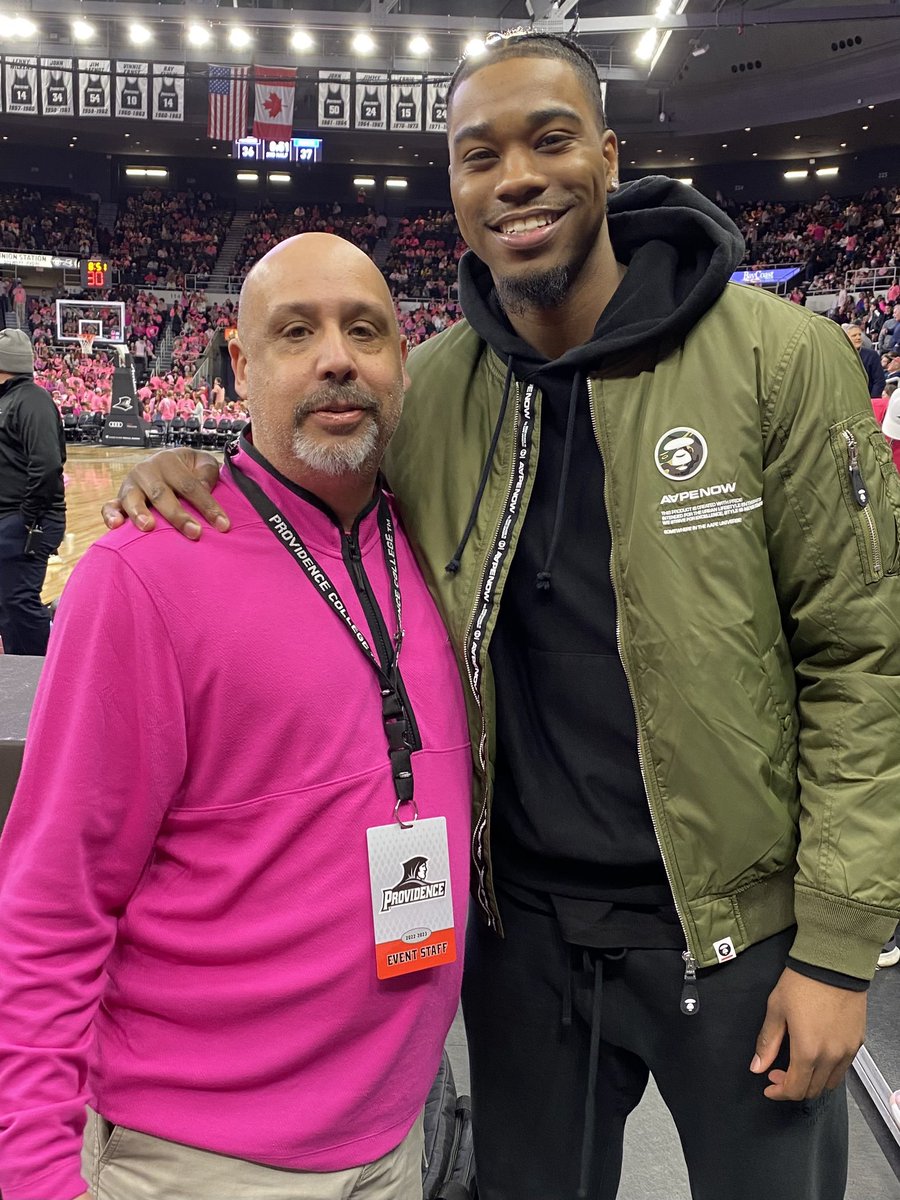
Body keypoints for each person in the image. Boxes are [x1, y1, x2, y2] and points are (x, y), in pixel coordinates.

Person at [102, 31, 900, 1200]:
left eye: (550, 138)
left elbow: (863, 658)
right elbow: (313, 489)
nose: (516, 175)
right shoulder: (431, 393)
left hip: (736, 939)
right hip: (518, 940)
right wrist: (195, 463)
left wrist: (837, 947)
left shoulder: (783, 361)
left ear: (611, 158)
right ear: (458, 191)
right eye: (481, 155)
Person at [0, 234, 472, 1200]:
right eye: (296, 331)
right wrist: (36, 1172)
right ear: (240, 365)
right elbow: (51, 903)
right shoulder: (143, 574)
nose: (336, 355)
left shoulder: (434, 542)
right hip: (197, 1162)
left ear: (402, 367)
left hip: (391, 1139)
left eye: (365, 330)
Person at [0, 327, 66, 655]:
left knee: (17, 601)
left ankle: (42, 670)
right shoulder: (11, 400)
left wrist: (26, 517)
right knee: (7, 603)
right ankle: (16, 667)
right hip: (14, 518)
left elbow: (49, 464)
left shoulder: (32, 400)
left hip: (27, 520)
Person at [842, 323, 886, 398]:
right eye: (854, 335)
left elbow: (879, 381)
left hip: (867, 399)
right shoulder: (841, 355)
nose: (858, 337)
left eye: (859, 334)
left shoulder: (872, 355)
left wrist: (873, 400)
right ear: (845, 338)